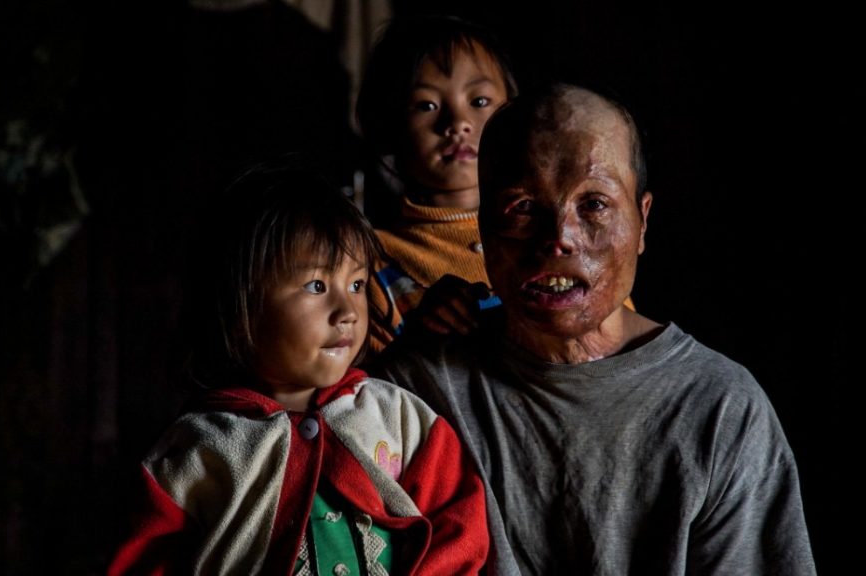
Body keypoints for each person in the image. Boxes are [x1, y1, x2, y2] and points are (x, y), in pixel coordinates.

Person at [373, 85, 817, 575]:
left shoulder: (719, 407)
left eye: (594, 204)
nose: (558, 237)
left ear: (643, 220)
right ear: (483, 227)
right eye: (521, 207)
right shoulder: (415, 393)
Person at [108, 166, 489, 575]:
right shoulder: (196, 451)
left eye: (357, 285)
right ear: (240, 307)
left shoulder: (399, 418)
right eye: (317, 286)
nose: (347, 313)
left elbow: (460, 524)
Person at [355, 14, 518, 352]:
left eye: (479, 101)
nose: (457, 122)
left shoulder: (553, 233)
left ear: (515, 112)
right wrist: (422, 338)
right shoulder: (372, 262)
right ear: (389, 126)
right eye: (426, 105)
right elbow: (368, 396)